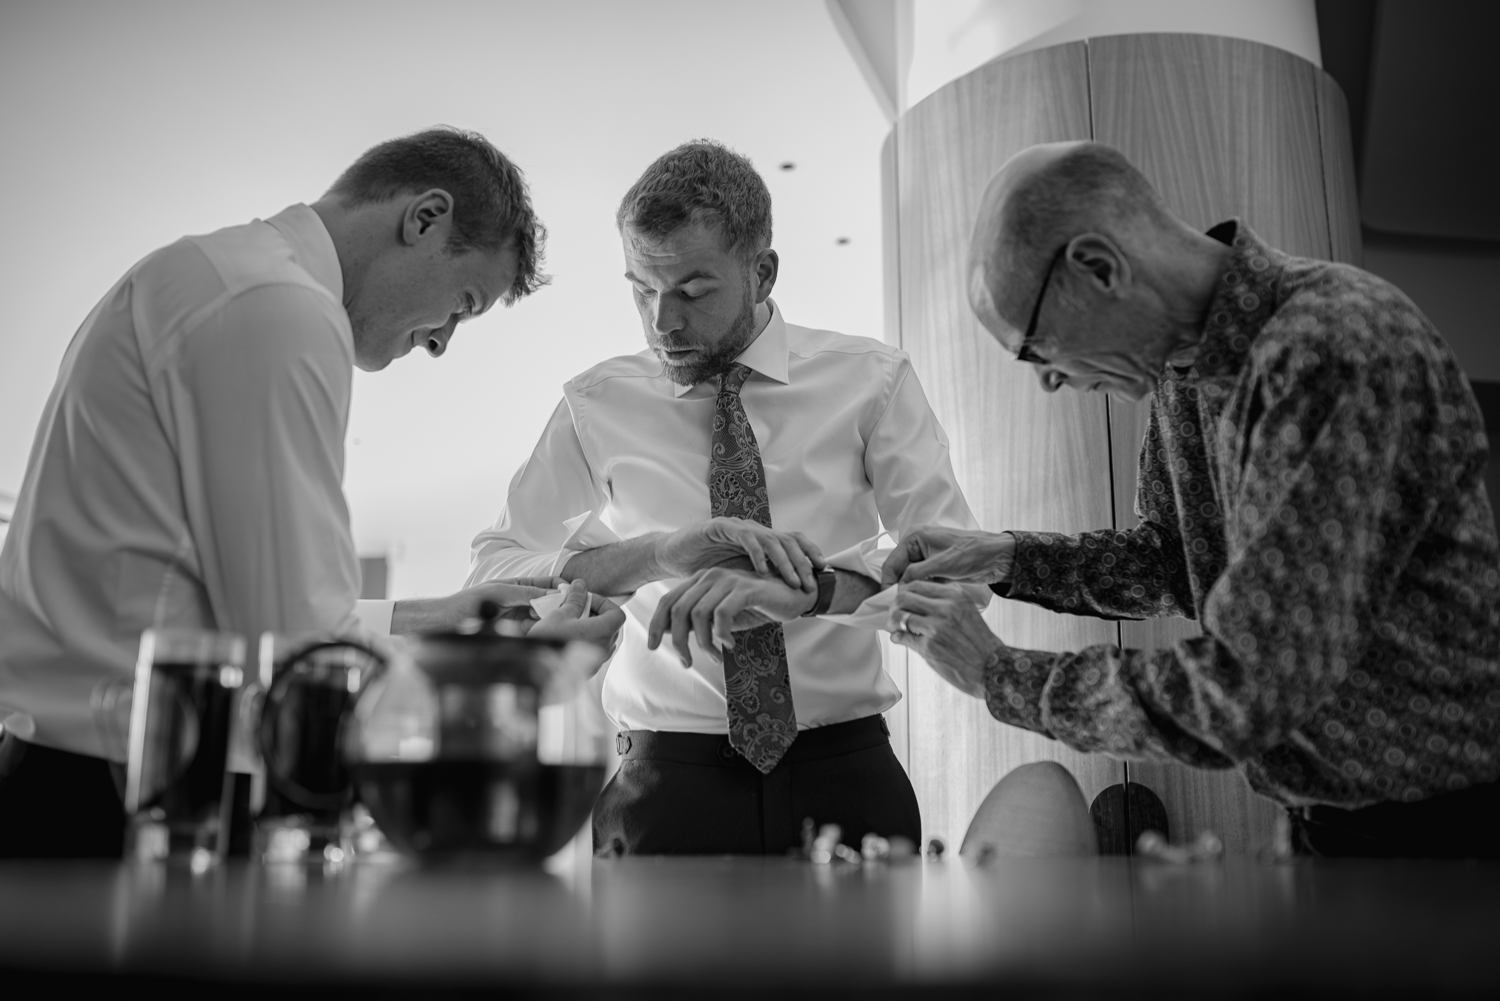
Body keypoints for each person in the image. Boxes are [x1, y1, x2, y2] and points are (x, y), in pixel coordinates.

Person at [0, 127, 623, 858]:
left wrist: (428, 619)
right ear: (424, 218)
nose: (441, 342)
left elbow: (223, 600)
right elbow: (295, 654)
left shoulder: (210, 273)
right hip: (131, 805)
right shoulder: (279, 310)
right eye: (461, 302)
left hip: (71, 772)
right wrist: (515, 672)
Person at [884, 140, 1500, 859]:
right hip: (1321, 819)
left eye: (1038, 350)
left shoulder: (1331, 346)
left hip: (1447, 829)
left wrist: (998, 671)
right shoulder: (1180, 374)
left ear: (1099, 266)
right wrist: (1004, 560)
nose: (1049, 383)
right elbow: (1173, 565)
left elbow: (1248, 685)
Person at [468, 140, 988, 856]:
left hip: (845, 771)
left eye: (691, 290)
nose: (661, 323)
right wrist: (655, 554)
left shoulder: (873, 382)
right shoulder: (596, 404)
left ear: (762, 270)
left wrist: (812, 589)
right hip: (663, 785)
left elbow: (959, 578)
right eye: (641, 289)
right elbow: (490, 575)